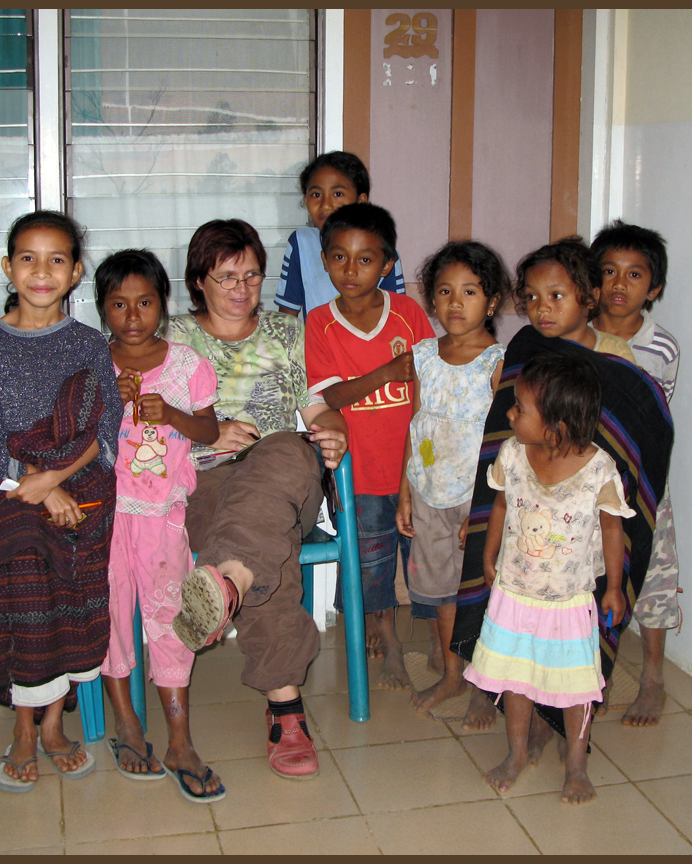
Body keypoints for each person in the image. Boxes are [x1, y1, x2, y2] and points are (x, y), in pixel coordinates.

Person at [450, 237, 674, 745]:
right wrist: (484, 512)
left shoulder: (616, 357)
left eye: (556, 296)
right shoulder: (525, 347)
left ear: (588, 297)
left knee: (574, 619)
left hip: (587, 521)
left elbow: (637, 430)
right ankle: (498, 685)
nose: (541, 309)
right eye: (530, 298)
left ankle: (568, 705)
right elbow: (502, 434)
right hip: (529, 506)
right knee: (516, 607)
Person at [165, 219, 349, 780]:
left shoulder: (287, 333)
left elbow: (316, 409)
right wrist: (210, 433)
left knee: (293, 449)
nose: (242, 288)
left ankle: (228, 586)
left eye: (252, 275)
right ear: (199, 281)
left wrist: (334, 432)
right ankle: (285, 710)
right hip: (205, 482)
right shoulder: (172, 336)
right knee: (265, 545)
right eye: (226, 277)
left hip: (280, 472)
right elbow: (144, 429)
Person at [0, 210, 123, 792]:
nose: (41, 271)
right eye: (27, 258)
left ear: (76, 271)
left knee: (80, 578)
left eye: (56, 259)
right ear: (9, 267)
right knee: (29, 562)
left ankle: (56, 725)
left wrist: (60, 477)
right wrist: (39, 482)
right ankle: (25, 728)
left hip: (80, 478)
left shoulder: (87, 343)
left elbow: (106, 430)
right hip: (11, 479)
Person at [93, 249, 227, 803]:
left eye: (143, 302)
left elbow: (210, 432)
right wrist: (107, 401)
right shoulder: (94, 364)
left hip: (162, 518)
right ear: (101, 309)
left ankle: (179, 740)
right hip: (101, 516)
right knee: (109, 619)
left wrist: (170, 414)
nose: (131, 316)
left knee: (171, 621)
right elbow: (74, 436)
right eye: (118, 304)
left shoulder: (188, 365)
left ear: (161, 304)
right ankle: (126, 724)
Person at [468, 354, 633, 803]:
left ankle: (577, 764)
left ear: (556, 426)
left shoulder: (598, 470)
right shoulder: (512, 454)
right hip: (515, 593)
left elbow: (613, 528)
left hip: (568, 599)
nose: (510, 413)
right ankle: (517, 753)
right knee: (515, 679)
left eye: (520, 409)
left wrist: (614, 587)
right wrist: (489, 553)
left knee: (576, 686)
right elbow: (500, 506)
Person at [305, 203, 435, 689]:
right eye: (339, 257)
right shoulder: (320, 323)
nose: (351, 269)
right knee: (369, 561)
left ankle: (435, 639)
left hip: (412, 468)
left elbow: (426, 384)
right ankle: (389, 639)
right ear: (324, 260)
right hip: (357, 473)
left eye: (365, 259)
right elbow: (327, 395)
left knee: (421, 556)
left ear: (387, 264)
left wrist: (423, 461)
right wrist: (384, 374)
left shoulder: (407, 314)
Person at [394, 241, 506, 714]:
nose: (455, 303)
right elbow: (415, 421)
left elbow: (505, 440)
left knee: (482, 590)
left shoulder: (496, 361)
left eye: (470, 291)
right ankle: (451, 673)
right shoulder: (422, 355)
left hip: (477, 497)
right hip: (428, 491)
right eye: (444, 291)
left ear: (492, 302)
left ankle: (487, 686)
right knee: (441, 589)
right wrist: (405, 491)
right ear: (432, 300)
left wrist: (485, 507)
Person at [591, 220, 680, 727]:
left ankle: (652, 679)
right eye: (609, 272)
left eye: (634, 274)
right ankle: (587, 672)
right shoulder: (579, 333)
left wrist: (643, 486)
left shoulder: (660, 347)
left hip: (643, 483)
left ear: (655, 286)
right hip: (586, 484)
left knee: (654, 577)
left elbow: (653, 420)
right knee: (589, 577)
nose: (620, 285)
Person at [275, 151, 406, 319]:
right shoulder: (301, 243)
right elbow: (287, 317)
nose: (326, 204)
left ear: (361, 200)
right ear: (306, 201)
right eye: (316, 194)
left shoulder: (380, 249)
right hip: (318, 344)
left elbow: (398, 315)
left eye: (337, 194)